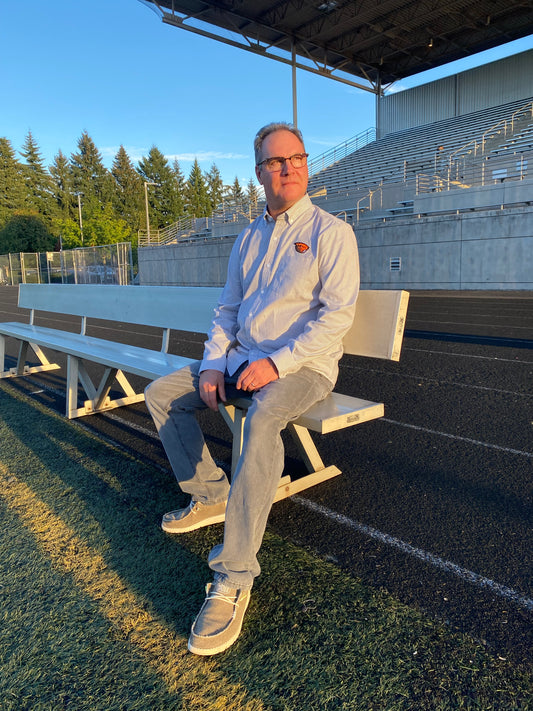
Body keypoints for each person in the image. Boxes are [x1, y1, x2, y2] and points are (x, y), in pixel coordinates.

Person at [144, 122, 360, 656]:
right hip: (241, 361)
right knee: (161, 394)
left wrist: (276, 363)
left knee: (263, 420)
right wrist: (214, 364)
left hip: (303, 367)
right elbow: (227, 311)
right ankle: (212, 494)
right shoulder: (249, 236)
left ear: (305, 165)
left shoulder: (332, 233)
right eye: (276, 161)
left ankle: (234, 574)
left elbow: (336, 321)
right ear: (259, 171)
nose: (289, 168)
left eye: (297, 158)